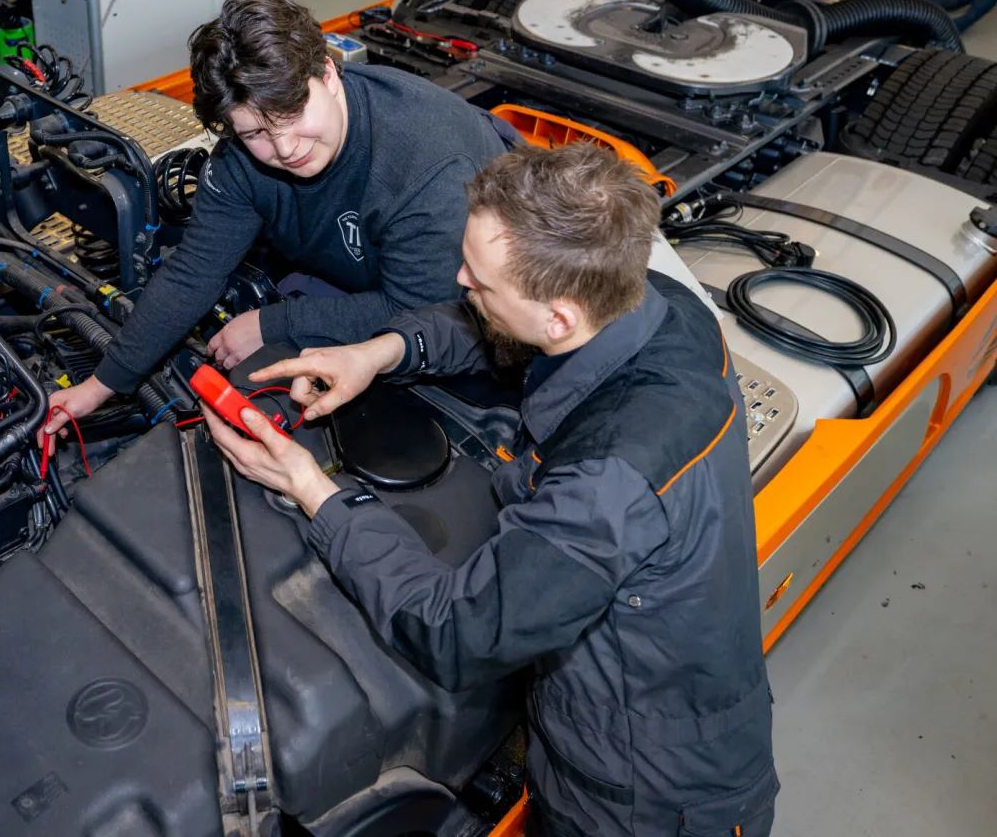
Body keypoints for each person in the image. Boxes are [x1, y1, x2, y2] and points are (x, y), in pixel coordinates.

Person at [201, 144, 778, 837]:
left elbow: (454, 632)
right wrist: (379, 352)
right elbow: (499, 333)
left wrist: (312, 488)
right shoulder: (665, 307)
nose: (459, 282)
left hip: (636, 794)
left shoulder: (604, 486)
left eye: (479, 282)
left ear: (560, 316)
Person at [45, 0, 518, 434]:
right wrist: (101, 384)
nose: (286, 148)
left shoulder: (427, 168)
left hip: (454, 308)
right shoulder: (242, 159)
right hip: (358, 270)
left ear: (329, 75)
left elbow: (419, 315)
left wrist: (276, 323)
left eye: (293, 116)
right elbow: (194, 271)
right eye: (255, 133)